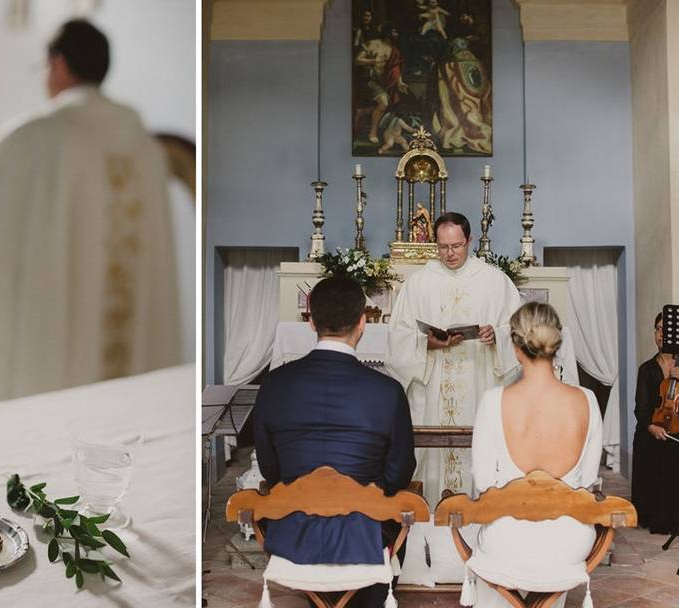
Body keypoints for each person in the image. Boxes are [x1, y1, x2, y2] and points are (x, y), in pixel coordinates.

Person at [0, 19, 181, 406]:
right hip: (131, 383)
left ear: (58, 64)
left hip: (54, 363)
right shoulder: (145, 149)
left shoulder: (37, 137)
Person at [254, 276, 416, 607]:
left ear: (311, 321)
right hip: (365, 536)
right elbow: (400, 471)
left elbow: (270, 469)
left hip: (293, 534)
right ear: (363, 323)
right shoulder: (388, 391)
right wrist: (361, 499)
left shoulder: (274, 384)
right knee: (393, 510)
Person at [469, 302, 602, 607]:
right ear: (556, 345)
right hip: (569, 542)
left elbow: (484, 484)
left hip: (507, 539)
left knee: (482, 533)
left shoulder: (493, 401)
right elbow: (590, 481)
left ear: (517, 348)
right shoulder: (588, 400)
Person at [386, 212, 521, 506]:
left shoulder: (495, 281)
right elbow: (397, 336)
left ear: (469, 241)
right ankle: (430, 514)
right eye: (443, 246)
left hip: (479, 381)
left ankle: (477, 512)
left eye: (457, 246)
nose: (450, 254)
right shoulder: (417, 283)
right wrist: (426, 343)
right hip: (432, 386)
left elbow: (519, 328)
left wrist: (496, 335)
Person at [631, 311, 679, 534]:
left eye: (665, 330)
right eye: (658, 329)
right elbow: (641, 409)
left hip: (676, 430)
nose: (661, 334)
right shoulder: (646, 369)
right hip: (651, 428)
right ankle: (651, 513)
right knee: (644, 440)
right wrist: (651, 426)